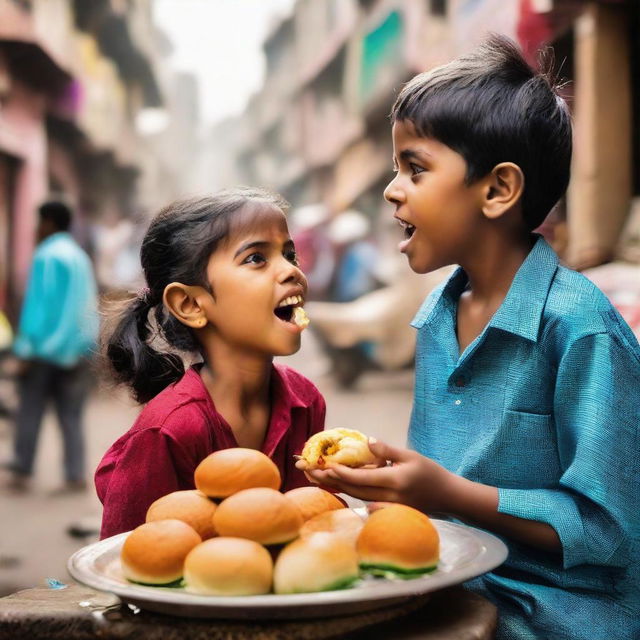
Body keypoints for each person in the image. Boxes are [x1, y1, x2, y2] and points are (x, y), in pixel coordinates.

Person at [298, 35, 640, 640]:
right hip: (455, 585)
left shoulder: (581, 329)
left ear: (497, 190)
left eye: (416, 168)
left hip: (557, 613)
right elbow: (435, 493)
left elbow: (606, 527)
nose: (391, 189)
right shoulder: (436, 312)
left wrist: (444, 490)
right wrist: (389, 491)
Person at [95, 188, 325, 539]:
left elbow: (311, 522)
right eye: (256, 258)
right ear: (190, 304)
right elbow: (129, 559)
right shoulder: (170, 430)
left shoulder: (304, 401)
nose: (291, 271)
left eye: (289, 254)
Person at [6, 200, 99, 492]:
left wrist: (24, 349)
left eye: (39, 222)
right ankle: (74, 475)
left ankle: (22, 469)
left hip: (44, 351)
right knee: (71, 415)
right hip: (78, 350)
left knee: (30, 410)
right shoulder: (79, 257)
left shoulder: (47, 256)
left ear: (48, 223)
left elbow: (39, 308)